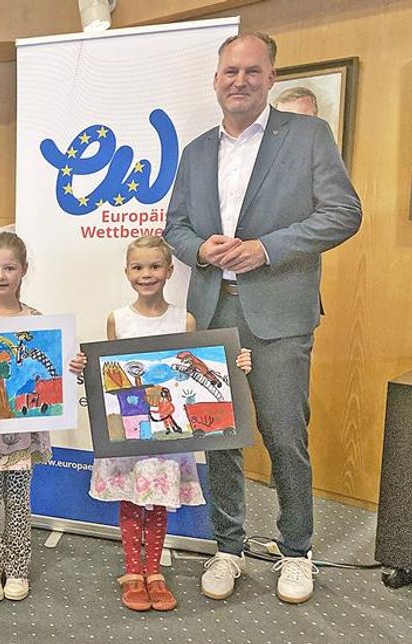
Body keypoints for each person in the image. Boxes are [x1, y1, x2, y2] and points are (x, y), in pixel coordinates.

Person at [163, 31, 362, 604]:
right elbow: (176, 225)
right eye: (230, 72)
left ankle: (296, 552)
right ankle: (229, 547)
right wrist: (200, 250)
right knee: (219, 434)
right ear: (216, 79)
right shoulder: (197, 150)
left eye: (252, 72)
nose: (240, 82)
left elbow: (344, 213)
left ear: (271, 77)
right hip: (213, 310)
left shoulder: (307, 136)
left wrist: (266, 248)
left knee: (283, 434)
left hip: (279, 311)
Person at [83, 236, 251, 612]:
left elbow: (192, 374)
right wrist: (85, 369)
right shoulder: (118, 318)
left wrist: (234, 368)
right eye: (138, 268)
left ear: (169, 271)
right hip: (129, 433)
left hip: (167, 433)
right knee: (130, 499)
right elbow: (112, 375)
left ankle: (153, 571)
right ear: (127, 273)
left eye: (155, 267)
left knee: (158, 501)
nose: (147, 274)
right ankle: (132, 571)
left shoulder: (184, 319)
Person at [0, 232, 85, 603]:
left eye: (9, 268)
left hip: (24, 432)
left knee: (18, 499)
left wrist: (70, 364)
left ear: (23, 271)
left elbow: (49, 372)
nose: (1, 275)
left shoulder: (37, 321)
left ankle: (16, 568)